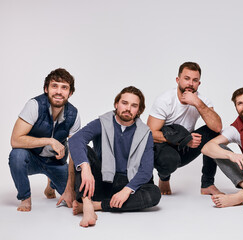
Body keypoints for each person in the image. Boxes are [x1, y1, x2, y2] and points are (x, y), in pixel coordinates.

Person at [69, 86, 161, 227]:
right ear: (116, 104)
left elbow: (146, 170)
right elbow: (76, 140)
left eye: (134, 105)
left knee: (154, 194)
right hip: (102, 181)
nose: (128, 108)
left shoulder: (145, 133)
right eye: (124, 103)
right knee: (84, 151)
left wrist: (127, 190)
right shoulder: (103, 122)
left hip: (127, 183)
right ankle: (87, 205)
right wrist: (86, 168)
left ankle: (98, 205)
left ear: (139, 110)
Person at [9, 68, 80, 212]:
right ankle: (25, 198)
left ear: (70, 93)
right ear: (46, 89)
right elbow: (15, 140)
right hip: (32, 159)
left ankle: (51, 185)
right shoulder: (34, 105)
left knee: (73, 199)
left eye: (64, 87)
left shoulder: (74, 114)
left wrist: (69, 188)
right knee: (17, 155)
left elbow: (75, 152)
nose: (59, 91)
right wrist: (49, 141)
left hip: (56, 162)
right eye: (54, 86)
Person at [147, 62, 223, 195]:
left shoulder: (201, 100)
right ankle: (164, 177)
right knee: (169, 160)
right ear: (178, 80)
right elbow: (150, 134)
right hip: (164, 147)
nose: (190, 83)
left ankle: (207, 184)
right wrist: (184, 139)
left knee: (214, 133)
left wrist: (197, 103)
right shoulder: (165, 100)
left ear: (199, 83)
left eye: (195, 80)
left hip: (187, 145)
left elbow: (217, 127)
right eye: (186, 79)